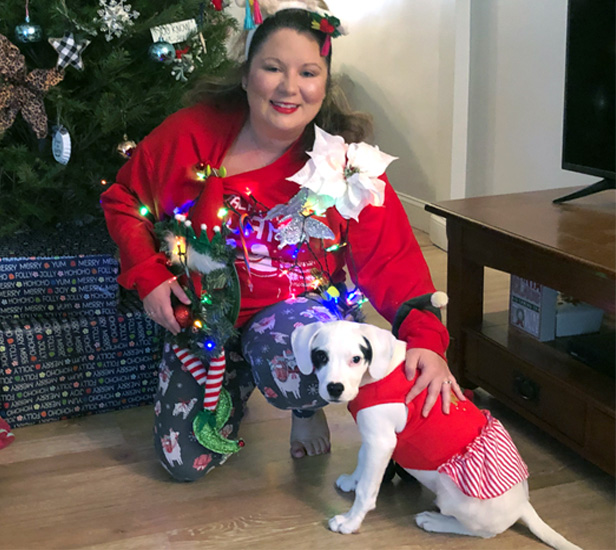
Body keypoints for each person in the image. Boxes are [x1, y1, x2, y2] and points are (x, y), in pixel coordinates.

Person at [100, 3, 464, 482]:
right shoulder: (191, 133)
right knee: (184, 464)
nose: (290, 87)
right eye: (272, 68)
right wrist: (148, 276)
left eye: (308, 72)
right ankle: (238, 377)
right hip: (206, 317)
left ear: (324, 82)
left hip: (295, 322)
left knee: (311, 364)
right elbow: (123, 197)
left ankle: (304, 405)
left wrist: (427, 341)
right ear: (248, 75)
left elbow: (394, 262)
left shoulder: (347, 168)